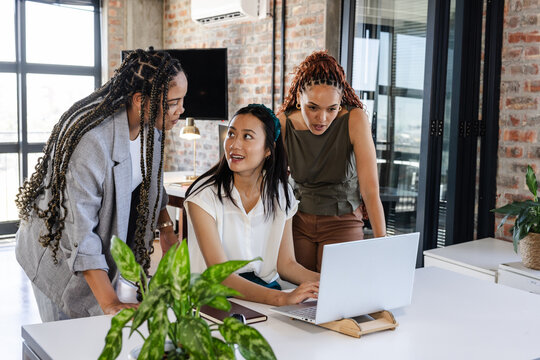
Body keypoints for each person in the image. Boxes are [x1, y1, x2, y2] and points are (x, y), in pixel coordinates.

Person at [15, 49, 187, 321]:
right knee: (68, 339)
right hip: (55, 251)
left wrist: (166, 229)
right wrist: (110, 303)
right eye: (174, 103)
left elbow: (150, 180)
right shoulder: (93, 142)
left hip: (89, 242)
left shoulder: (151, 128)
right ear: (142, 100)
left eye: (182, 101)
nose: (181, 111)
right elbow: (81, 233)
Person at [185, 104, 320, 306]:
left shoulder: (281, 194)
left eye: (247, 136)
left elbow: (286, 264)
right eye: (231, 134)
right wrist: (282, 298)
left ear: (268, 149)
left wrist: (329, 283)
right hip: (213, 299)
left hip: (265, 293)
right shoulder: (203, 197)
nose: (234, 145)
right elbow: (220, 275)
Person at [277, 50, 386, 272]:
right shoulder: (284, 123)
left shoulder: (354, 119)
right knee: (302, 297)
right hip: (298, 218)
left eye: (332, 109)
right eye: (313, 107)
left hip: (343, 219)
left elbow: (370, 190)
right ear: (299, 98)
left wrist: (382, 246)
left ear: (340, 103)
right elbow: (272, 182)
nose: (322, 118)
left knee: (339, 293)